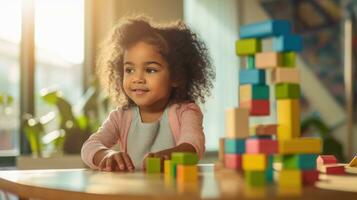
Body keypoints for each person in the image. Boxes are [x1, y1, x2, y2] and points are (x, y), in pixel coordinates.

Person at [81, 15, 215, 172]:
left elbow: (193, 145)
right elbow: (89, 147)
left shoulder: (185, 112)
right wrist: (106, 154)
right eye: (129, 70)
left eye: (150, 70)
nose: (137, 78)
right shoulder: (121, 116)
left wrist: (167, 156)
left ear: (176, 76)